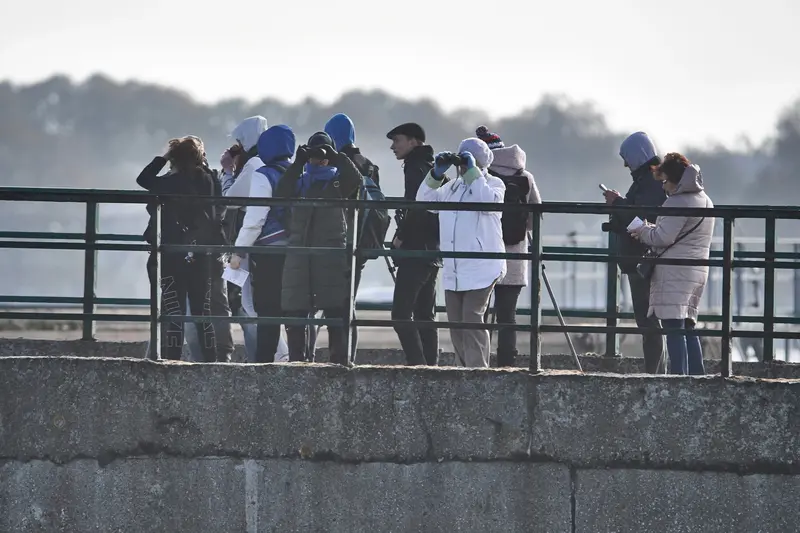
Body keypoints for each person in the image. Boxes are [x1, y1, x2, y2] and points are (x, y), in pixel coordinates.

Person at [275, 132, 364, 365]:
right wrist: (297, 164)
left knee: (336, 310)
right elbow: (281, 193)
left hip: (330, 257)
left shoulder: (338, 182)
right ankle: (297, 362)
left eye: (323, 153)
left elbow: (356, 179)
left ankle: (338, 362)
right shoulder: (299, 181)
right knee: (295, 311)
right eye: (315, 153)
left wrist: (337, 157)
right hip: (300, 256)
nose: (319, 158)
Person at [417, 138, 506, 368]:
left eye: (467, 159)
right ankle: (462, 371)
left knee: (472, 319)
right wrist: (436, 174)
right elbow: (424, 200)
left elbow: (487, 202)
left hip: (482, 267)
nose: (462, 165)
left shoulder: (494, 184)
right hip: (455, 268)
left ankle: (478, 374)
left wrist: (473, 172)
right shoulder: (451, 188)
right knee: (456, 323)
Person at [137, 136, 223, 361]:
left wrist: (164, 157)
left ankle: (171, 359)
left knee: (173, 310)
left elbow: (143, 179)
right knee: (202, 312)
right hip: (201, 253)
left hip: (172, 252)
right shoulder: (208, 180)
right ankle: (211, 361)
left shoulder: (169, 183)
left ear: (175, 158)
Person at [629, 153, 714, 375]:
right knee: (687, 324)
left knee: (673, 326)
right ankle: (697, 376)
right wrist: (653, 229)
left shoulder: (677, 201)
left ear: (675, 178)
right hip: (696, 269)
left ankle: (678, 379)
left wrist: (641, 230)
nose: (663, 187)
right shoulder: (705, 199)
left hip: (675, 271)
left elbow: (662, 238)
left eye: (665, 181)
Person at [476, 126, 542, 367]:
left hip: (484, 254)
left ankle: (478, 361)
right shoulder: (525, 176)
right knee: (508, 315)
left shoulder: (482, 176)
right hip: (515, 257)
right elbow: (536, 217)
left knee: (478, 313)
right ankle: (507, 363)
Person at [229, 125, 295, 362]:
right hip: (297, 249)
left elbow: (255, 219)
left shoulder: (263, 174)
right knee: (295, 311)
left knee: (267, 310)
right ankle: (297, 358)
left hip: (269, 251)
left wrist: (238, 251)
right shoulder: (298, 172)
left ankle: (265, 363)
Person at [603, 132, 667, 373]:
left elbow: (641, 217)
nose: (625, 164)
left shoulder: (649, 183)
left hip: (643, 260)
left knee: (648, 319)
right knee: (650, 319)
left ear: (636, 156)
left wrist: (617, 204)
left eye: (627, 158)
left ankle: (655, 373)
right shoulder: (650, 181)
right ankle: (658, 371)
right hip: (640, 259)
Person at [323, 113, 381, 360]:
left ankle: (340, 356)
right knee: (349, 304)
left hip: (339, 241)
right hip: (361, 242)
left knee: (335, 306)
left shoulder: (339, 164)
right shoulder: (370, 165)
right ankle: (347, 356)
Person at [386, 122, 441, 366]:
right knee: (424, 315)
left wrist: (400, 237)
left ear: (413, 141)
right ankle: (430, 366)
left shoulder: (415, 168)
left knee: (400, 314)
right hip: (432, 250)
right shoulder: (430, 167)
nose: (392, 146)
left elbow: (416, 208)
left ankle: (417, 364)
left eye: (397, 140)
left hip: (417, 250)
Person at [221, 116, 269, 361]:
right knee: (247, 305)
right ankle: (262, 356)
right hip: (255, 244)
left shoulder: (254, 165)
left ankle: (261, 358)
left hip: (245, 247)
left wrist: (227, 171)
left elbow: (230, 199)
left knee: (245, 305)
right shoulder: (265, 162)